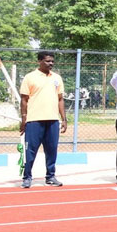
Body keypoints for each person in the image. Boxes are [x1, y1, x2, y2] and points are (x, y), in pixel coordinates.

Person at [19, 51, 67, 188]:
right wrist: (24, 118)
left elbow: (60, 99)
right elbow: (24, 100)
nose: (51, 63)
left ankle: (50, 176)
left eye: (52, 61)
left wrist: (64, 119)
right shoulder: (30, 77)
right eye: (47, 61)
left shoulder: (57, 78)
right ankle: (27, 177)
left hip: (53, 120)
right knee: (30, 151)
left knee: (52, 150)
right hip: (34, 120)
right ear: (39, 61)